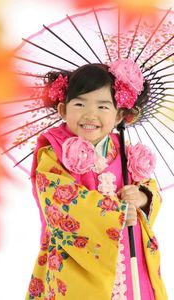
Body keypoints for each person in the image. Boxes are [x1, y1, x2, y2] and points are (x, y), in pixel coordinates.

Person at [26, 61, 167, 299]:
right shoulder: (54, 153)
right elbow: (59, 201)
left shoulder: (124, 150)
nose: (90, 114)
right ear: (63, 110)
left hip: (129, 253)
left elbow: (148, 186)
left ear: (119, 114)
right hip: (77, 263)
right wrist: (118, 212)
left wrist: (141, 197)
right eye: (80, 104)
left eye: (103, 106)